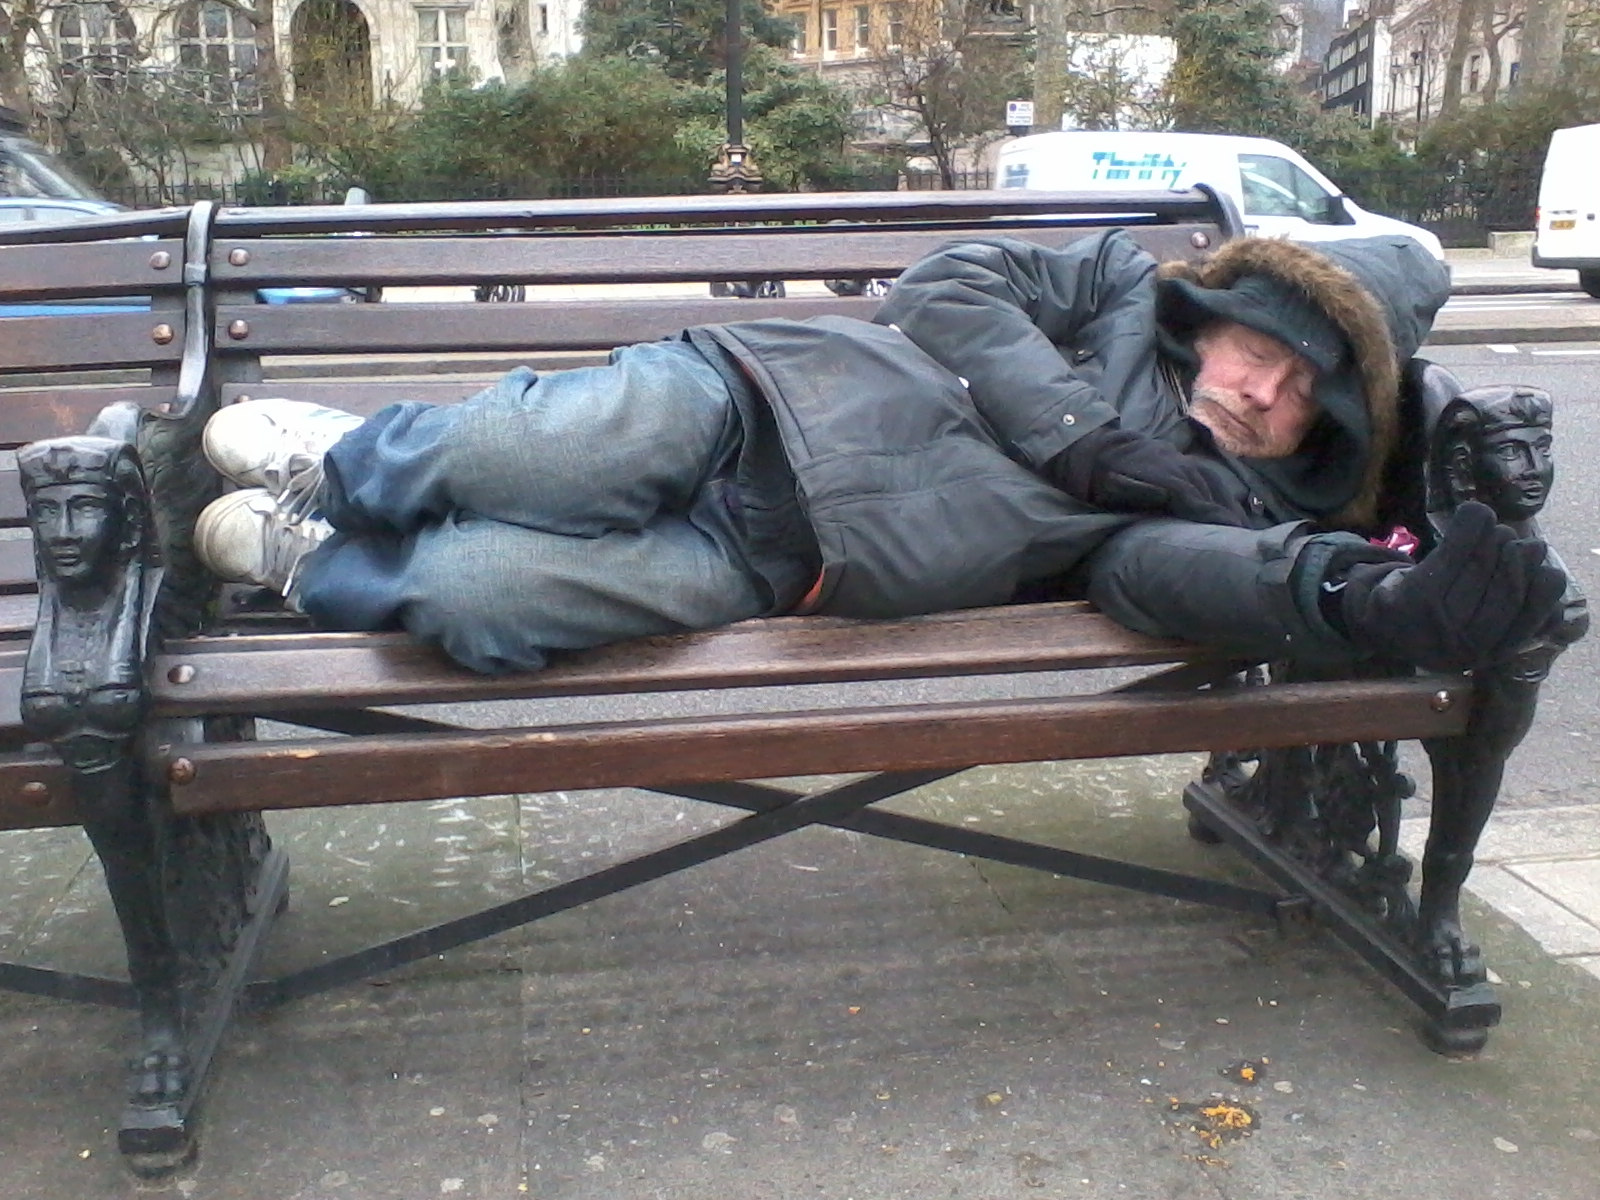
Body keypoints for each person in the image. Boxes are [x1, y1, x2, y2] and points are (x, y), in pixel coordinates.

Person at [191, 229, 1566, 676]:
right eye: (1261, 348)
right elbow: (948, 286)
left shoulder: (1230, 499)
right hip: (760, 402)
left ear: (1326, 427)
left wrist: (1351, 596)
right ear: (1228, 312)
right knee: (527, 457)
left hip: (787, 564)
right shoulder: (1117, 288)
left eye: (1302, 397)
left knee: (475, 604)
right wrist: (1083, 438)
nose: (1262, 391)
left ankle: (314, 563)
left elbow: (1174, 580)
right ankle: (347, 466)